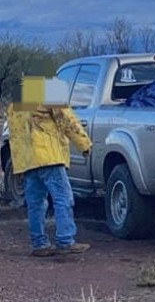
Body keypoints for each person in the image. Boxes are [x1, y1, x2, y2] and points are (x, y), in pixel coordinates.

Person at [7, 102, 92, 257]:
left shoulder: (17, 99)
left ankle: (39, 244)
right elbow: (67, 119)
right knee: (63, 198)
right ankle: (65, 241)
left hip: (27, 161)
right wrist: (84, 144)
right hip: (49, 156)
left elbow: (15, 131)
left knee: (35, 204)